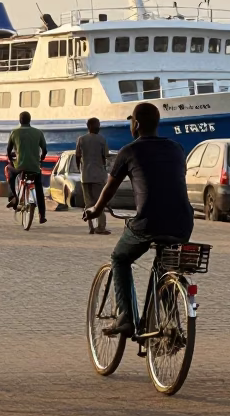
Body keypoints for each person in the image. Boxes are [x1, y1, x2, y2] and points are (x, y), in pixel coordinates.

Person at [83, 102, 193, 336]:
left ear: (137, 124)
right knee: (165, 266)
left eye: (131, 120)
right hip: (183, 222)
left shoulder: (129, 151)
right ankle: (169, 322)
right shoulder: (176, 148)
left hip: (148, 222)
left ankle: (125, 317)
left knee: (120, 258)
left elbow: (109, 189)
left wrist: (95, 209)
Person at [6, 111, 48, 224]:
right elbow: (44, 150)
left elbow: (8, 150)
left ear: (20, 120)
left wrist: (11, 159)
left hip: (19, 166)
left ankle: (13, 197)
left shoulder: (14, 132)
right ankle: (42, 215)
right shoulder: (38, 132)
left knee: (9, 170)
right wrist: (41, 158)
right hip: (35, 166)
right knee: (39, 188)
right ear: (30, 120)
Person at [75, 117, 110, 235]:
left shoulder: (81, 139)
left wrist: (80, 169)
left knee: (88, 203)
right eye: (98, 125)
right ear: (93, 126)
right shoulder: (101, 139)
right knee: (100, 202)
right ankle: (101, 227)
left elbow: (77, 156)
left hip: (85, 176)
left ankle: (91, 227)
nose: (99, 127)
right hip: (98, 176)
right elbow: (105, 155)